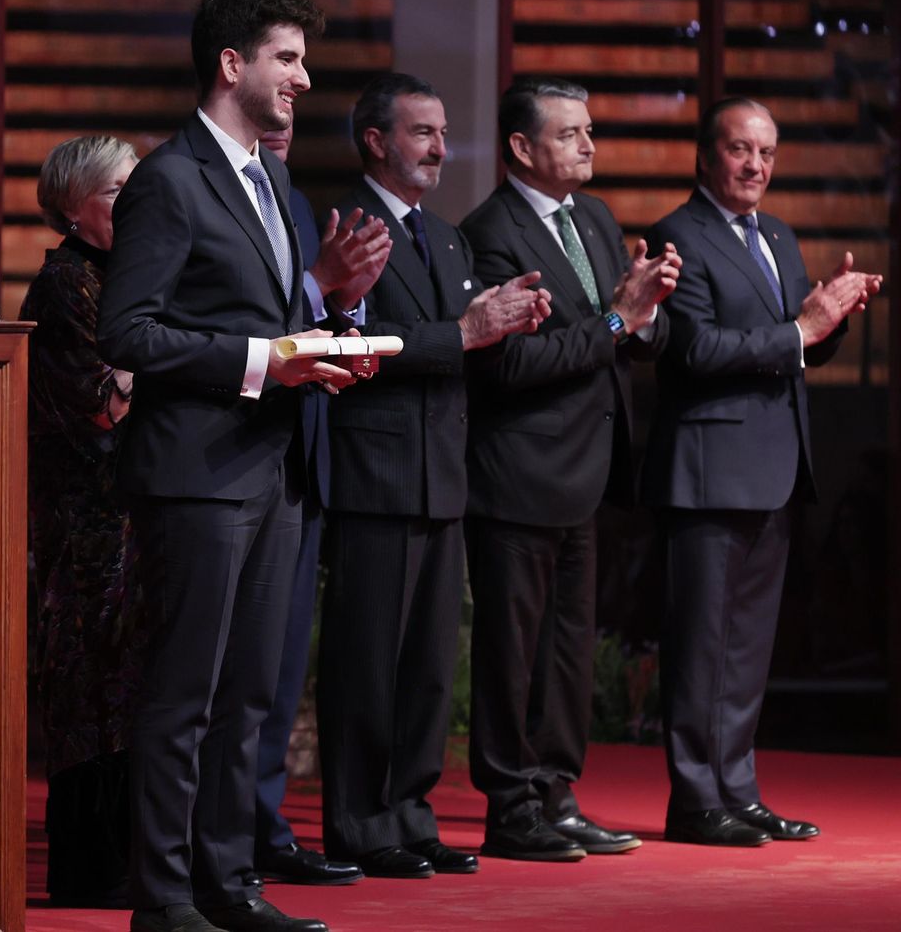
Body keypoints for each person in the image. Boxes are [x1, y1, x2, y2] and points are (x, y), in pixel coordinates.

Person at [97, 0, 359, 932]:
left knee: (250, 696)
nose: (303, 77)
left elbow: (282, 318)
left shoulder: (276, 183)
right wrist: (265, 360)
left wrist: (325, 340)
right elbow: (127, 331)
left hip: (276, 469)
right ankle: (163, 900)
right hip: (197, 475)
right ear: (232, 65)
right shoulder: (169, 180)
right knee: (185, 697)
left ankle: (227, 886)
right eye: (287, 59)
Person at [318, 72, 550, 878]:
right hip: (374, 474)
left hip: (444, 475)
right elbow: (358, 346)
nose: (442, 149)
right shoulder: (343, 226)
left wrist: (508, 315)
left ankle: (411, 815)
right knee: (367, 662)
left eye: (445, 133)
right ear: (376, 140)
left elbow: (463, 342)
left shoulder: (448, 238)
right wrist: (463, 331)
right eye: (423, 133)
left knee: (425, 667)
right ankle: (358, 821)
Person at [643, 98, 881, 847]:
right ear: (706, 156)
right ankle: (694, 799)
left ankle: (738, 790)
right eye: (741, 149)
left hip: (775, 467)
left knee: (746, 648)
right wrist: (800, 328)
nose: (756, 166)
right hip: (709, 470)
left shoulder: (776, 234)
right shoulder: (679, 233)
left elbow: (794, 345)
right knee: (701, 643)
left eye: (767, 153)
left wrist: (828, 321)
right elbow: (695, 351)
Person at [461, 76, 679, 862]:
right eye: (569, 134)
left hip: (586, 470)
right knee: (511, 651)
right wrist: (620, 318)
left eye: (589, 130)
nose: (588, 144)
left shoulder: (593, 216)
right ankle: (510, 804)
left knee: (568, 648)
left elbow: (623, 329)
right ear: (522, 147)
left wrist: (646, 312)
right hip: (519, 471)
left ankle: (556, 791)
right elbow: (509, 364)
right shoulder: (489, 232)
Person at [249, 123, 387, 889]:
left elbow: (317, 317)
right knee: (231, 677)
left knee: (277, 671)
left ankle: (264, 826)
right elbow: (238, 321)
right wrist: (317, 284)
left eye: (295, 104)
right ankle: (220, 837)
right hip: (230, 458)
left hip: (303, 453)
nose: (283, 120)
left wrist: (350, 310)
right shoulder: (208, 198)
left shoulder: (299, 203)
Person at [19, 134, 150, 907]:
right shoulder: (68, 284)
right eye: (117, 192)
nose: (135, 205)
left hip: (139, 514)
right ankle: (93, 872)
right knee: (94, 691)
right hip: (88, 529)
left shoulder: (128, 273)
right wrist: (164, 363)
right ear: (73, 209)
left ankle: (138, 860)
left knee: (138, 693)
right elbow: (102, 406)